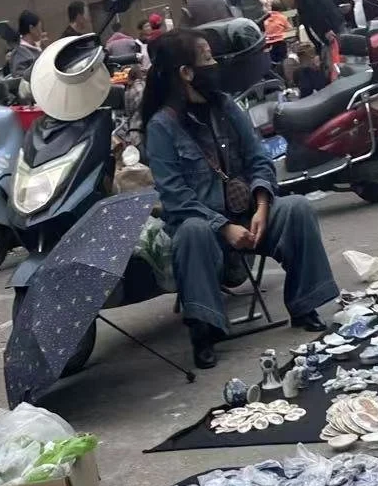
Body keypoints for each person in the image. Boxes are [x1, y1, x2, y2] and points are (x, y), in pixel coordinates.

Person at [142, 30, 338, 369]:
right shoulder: (162, 127)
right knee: (191, 231)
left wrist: (262, 205)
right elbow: (175, 197)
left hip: (249, 214)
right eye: (207, 58)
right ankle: (204, 331)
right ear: (186, 73)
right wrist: (224, 228)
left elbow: (259, 159)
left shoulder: (226, 107)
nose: (215, 64)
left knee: (297, 209)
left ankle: (304, 304)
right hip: (205, 225)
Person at [273, 0, 345, 78]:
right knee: (328, 69)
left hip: (332, 32)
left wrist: (327, 28)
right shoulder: (299, 1)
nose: (286, 5)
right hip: (323, 39)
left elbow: (320, 10)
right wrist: (318, 51)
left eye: (282, 0)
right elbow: (309, 26)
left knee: (336, 67)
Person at [8, 12, 44, 86]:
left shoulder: (36, 47)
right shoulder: (19, 53)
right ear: (31, 29)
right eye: (40, 28)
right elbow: (20, 81)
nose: (41, 32)